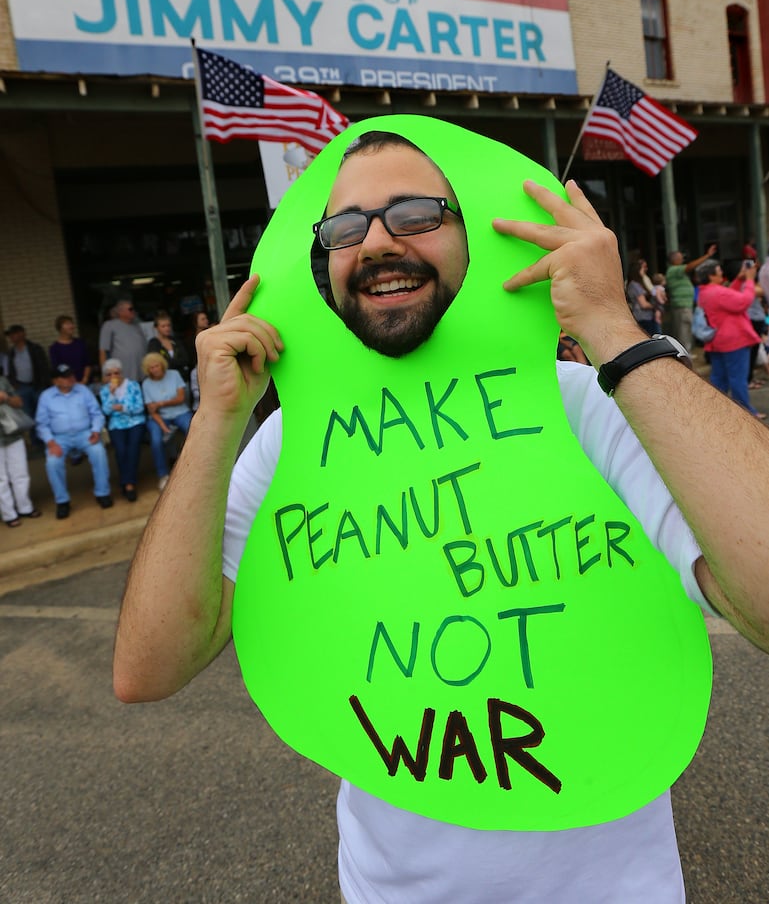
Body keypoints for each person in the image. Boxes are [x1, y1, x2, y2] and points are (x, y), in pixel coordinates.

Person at [114, 124, 769, 903]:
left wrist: (611, 329)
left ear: (479, 237)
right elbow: (146, 671)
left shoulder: (588, 406)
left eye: (418, 213)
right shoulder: (290, 442)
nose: (377, 242)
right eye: (344, 228)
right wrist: (218, 420)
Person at [36, 363, 113, 519]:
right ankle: (62, 501)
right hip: (59, 438)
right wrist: (51, 443)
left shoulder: (83, 390)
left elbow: (96, 414)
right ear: (55, 381)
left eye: (71, 375)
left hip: (84, 433)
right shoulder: (46, 396)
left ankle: (102, 492)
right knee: (52, 462)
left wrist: (96, 430)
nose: (71, 379)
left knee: (98, 452)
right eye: (65, 377)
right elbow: (41, 424)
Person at [695, 259, 765, 418]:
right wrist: (748, 280)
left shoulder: (706, 291)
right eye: (719, 270)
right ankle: (746, 412)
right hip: (734, 341)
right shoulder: (717, 292)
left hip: (717, 341)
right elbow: (743, 302)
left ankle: (717, 409)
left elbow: (729, 297)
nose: (721, 273)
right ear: (711, 275)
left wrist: (740, 279)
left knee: (719, 378)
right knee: (737, 378)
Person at [140, 352, 193, 491]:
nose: (155, 369)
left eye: (157, 365)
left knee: (193, 430)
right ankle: (163, 475)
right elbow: (152, 410)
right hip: (159, 417)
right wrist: (163, 426)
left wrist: (160, 403)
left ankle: (195, 466)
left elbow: (180, 399)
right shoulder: (146, 383)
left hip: (180, 411)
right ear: (147, 369)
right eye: (151, 368)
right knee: (156, 440)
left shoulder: (174, 374)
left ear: (162, 365)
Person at [99, 358, 146, 502]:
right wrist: (112, 395)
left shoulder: (133, 385)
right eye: (109, 374)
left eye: (116, 373)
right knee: (120, 450)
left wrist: (123, 408)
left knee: (133, 448)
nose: (113, 377)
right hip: (116, 424)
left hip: (135, 422)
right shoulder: (105, 390)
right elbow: (106, 411)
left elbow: (139, 408)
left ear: (121, 373)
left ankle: (128, 484)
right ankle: (127, 481)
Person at [0, 373, 40, 527]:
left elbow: (19, 402)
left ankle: (25, 507)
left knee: (20, 473)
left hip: (13, 434)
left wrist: (6, 398)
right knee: (1, 479)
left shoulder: (2, 381)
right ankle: (9, 514)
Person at [664, 244, 718, 351]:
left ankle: (686, 353)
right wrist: (707, 255)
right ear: (675, 259)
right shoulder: (674, 270)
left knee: (686, 331)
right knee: (684, 332)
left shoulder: (676, 271)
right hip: (682, 307)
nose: (682, 259)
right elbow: (690, 266)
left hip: (685, 306)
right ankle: (684, 355)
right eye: (680, 257)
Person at [5, 324, 49, 421]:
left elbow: (44, 367)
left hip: (37, 386)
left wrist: (44, 383)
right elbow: (10, 370)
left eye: (13, 334)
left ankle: (43, 435)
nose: (11, 337)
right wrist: (13, 384)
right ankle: (33, 436)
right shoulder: (12, 352)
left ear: (22, 334)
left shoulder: (35, 348)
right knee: (28, 414)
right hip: (22, 387)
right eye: (10, 335)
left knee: (42, 412)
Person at [99, 300, 147, 383]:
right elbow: (103, 351)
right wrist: (105, 373)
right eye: (130, 309)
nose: (134, 311)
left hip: (142, 374)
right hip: (123, 376)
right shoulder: (109, 325)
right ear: (121, 312)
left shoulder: (137, 326)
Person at [147, 310, 191, 383]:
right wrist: (177, 363)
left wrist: (168, 363)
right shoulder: (153, 343)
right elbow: (157, 363)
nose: (167, 328)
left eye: (168, 325)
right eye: (163, 326)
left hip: (182, 379)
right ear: (156, 327)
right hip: (164, 381)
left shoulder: (176, 340)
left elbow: (186, 359)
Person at [49, 314, 91, 385]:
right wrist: (70, 382)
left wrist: (85, 380)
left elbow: (87, 363)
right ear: (60, 328)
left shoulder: (80, 343)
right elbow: (58, 369)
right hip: (68, 386)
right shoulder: (54, 348)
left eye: (72, 323)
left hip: (86, 383)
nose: (72, 326)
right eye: (67, 324)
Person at [625, 259, 660, 335]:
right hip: (644, 317)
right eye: (642, 268)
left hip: (640, 316)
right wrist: (655, 306)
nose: (645, 270)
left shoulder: (632, 284)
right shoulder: (635, 285)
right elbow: (643, 304)